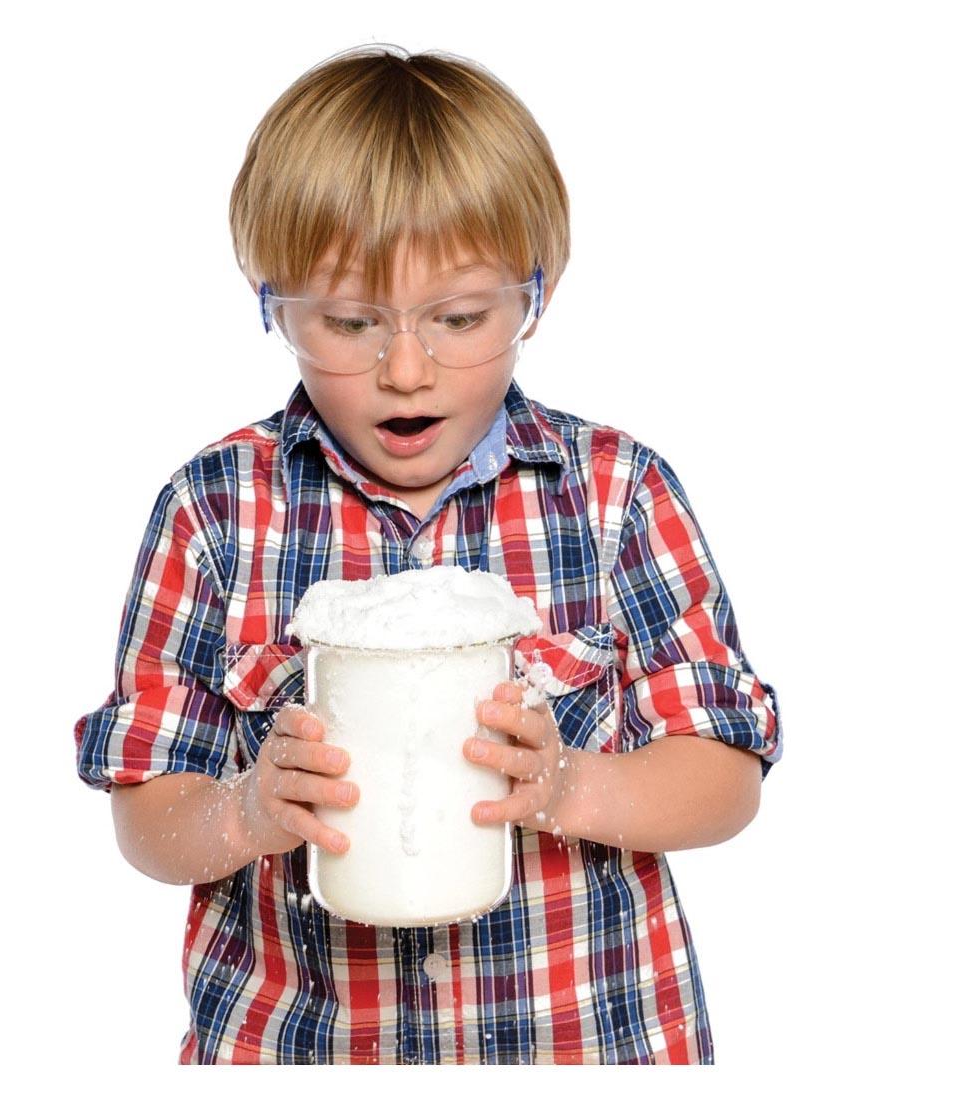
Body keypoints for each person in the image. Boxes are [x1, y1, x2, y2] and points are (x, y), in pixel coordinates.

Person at [74, 43, 783, 1065]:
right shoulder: (216, 509)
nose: (405, 368)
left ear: (534, 292)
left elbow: (723, 772)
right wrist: (241, 812)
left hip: (586, 1045)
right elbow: (147, 808)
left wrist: (572, 788)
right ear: (274, 303)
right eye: (350, 321)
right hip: (300, 1046)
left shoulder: (617, 493)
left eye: (458, 318)